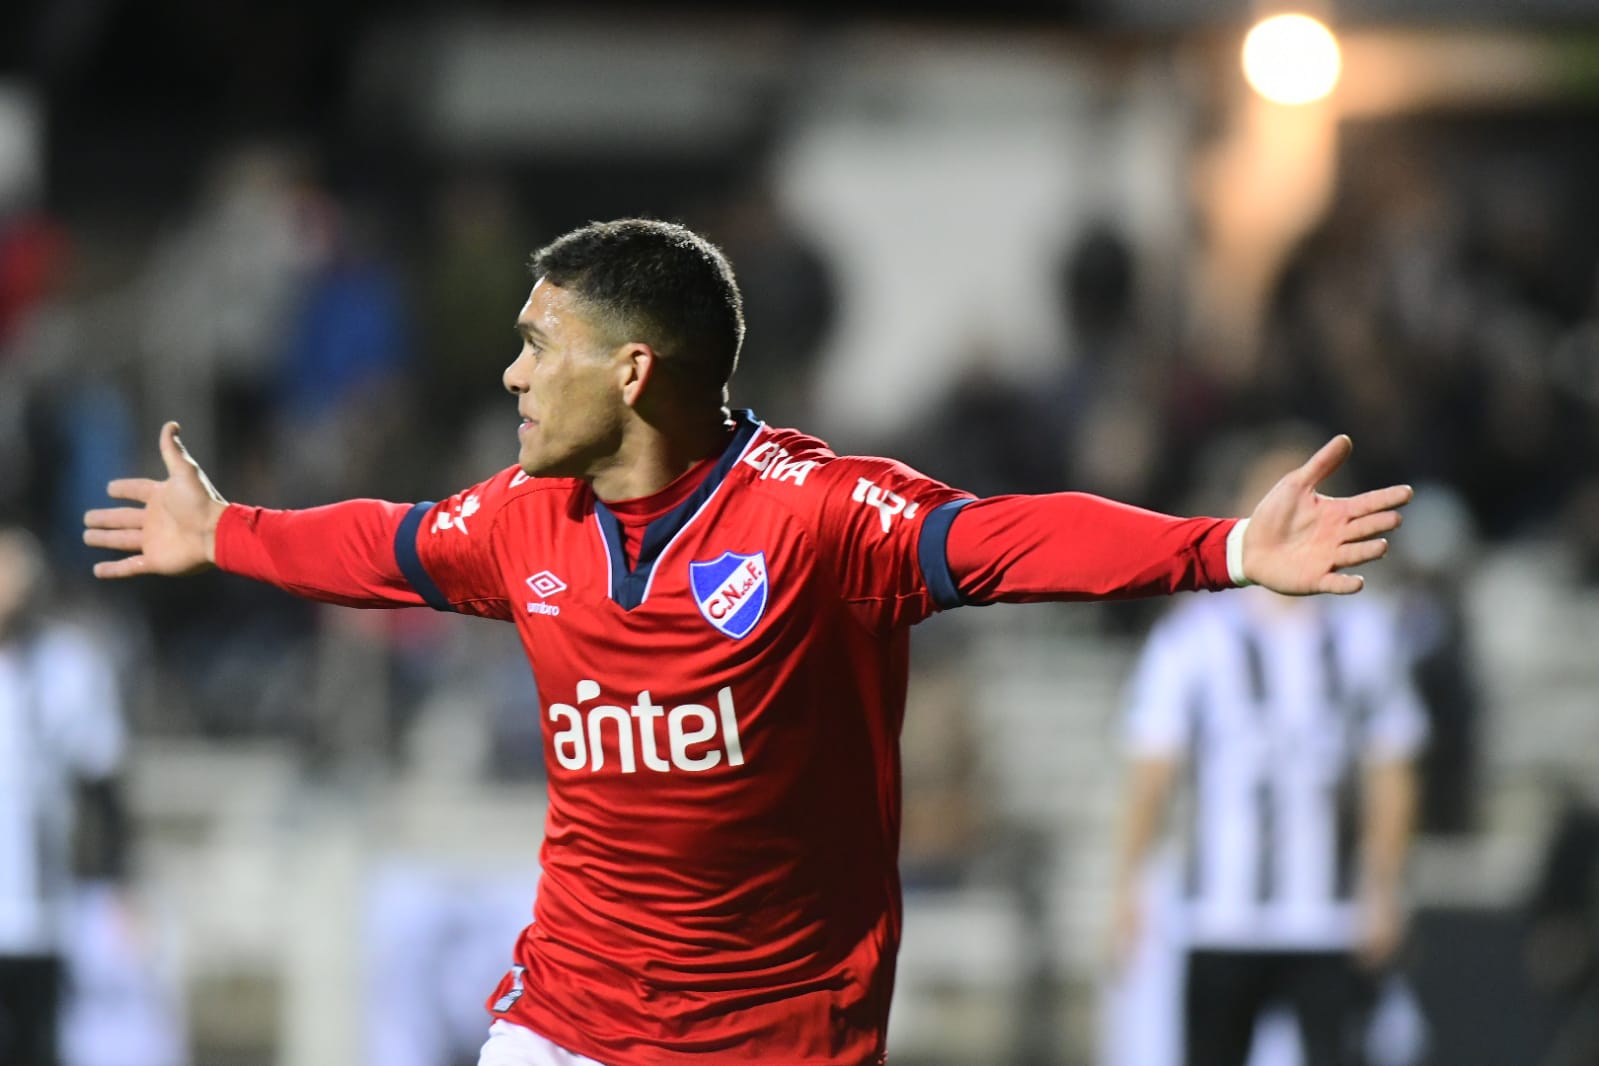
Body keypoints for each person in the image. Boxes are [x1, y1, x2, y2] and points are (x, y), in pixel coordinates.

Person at [84, 218, 1412, 1066]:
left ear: (633, 373)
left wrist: (1224, 549)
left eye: (537, 345)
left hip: (777, 1038)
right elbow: (385, 545)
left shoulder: (815, 514)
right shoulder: (520, 521)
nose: (507, 374)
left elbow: (1002, 540)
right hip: (571, 1015)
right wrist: (232, 530)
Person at [1107, 438, 1428, 1066]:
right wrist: (1129, 888)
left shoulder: (1365, 634)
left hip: (1330, 917)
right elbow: (1153, 771)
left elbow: (1392, 768)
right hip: (1220, 915)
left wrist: (1384, 884)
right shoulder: (1194, 638)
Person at [0, 526, 129, 1066]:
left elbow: (103, 779)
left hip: (39, 903)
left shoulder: (67, 665)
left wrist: (120, 881)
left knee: (38, 1042)